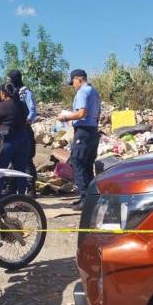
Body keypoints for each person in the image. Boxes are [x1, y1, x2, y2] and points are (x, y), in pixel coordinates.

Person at [57, 69, 101, 211]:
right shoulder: (94, 92)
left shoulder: (83, 92)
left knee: (77, 162)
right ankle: (90, 198)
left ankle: (85, 198)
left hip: (83, 132)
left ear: (79, 79)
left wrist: (65, 118)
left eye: (73, 82)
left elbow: (82, 113)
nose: (73, 85)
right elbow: (97, 113)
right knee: (87, 165)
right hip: (92, 131)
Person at [0, 82, 30, 195]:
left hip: (7, 142)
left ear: (4, 93)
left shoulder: (1, 106)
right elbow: (26, 118)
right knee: (20, 172)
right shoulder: (22, 104)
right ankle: (22, 200)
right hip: (23, 139)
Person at [7, 69, 37, 197]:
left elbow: (33, 109)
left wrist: (27, 121)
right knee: (13, 160)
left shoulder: (25, 92)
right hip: (14, 131)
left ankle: (31, 189)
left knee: (27, 160)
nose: (8, 82)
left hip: (24, 129)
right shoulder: (10, 93)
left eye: (9, 79)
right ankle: (12, 189)